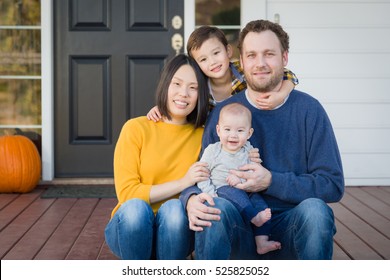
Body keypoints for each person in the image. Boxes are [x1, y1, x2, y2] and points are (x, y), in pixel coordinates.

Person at [180, 20, 344, 260]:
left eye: (269, 54)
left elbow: (332, 184)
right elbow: (202, 171)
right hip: (238, 225)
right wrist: (190, 198)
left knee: (316, 211)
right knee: (214, 208)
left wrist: (270, 181)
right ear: (242, 61)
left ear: (284, 58)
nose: (260, 63)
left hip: (292, 224)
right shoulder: (223, 113)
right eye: (252, 55)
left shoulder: (309, 110)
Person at [104, 54, 211, 260]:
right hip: (130, 228)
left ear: (201, 94)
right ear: (165, 85)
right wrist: (183, 182)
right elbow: (127, 193)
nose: (183, 94)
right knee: (136, 207)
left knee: (173, 209)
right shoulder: (136, 128)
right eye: (177, 84)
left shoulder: (204, 136)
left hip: (176, 229)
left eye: (193, 87)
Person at [147, 26, 299, 121]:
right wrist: (163, 108)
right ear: (196, 64)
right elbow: (183, 101)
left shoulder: (244, 70)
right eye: (203, 59)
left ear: (228, 51)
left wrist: (281, 94)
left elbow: (287, 74)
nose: (212, 62)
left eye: (216, 53)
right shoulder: (198, 86)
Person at [197, 102, 281, 254]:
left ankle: (262, 242)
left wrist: (242, 181)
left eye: (240, 130)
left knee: (261, 203)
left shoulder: (249, 150)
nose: (233, 135)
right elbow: (202, 175)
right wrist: (210, 193)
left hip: (247, 190)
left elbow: (253, 174)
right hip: (222, 190)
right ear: (218, 130)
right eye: (227, 129)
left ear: (249, 133)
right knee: (233, 192)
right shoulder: (213, 150)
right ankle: (253, 217)